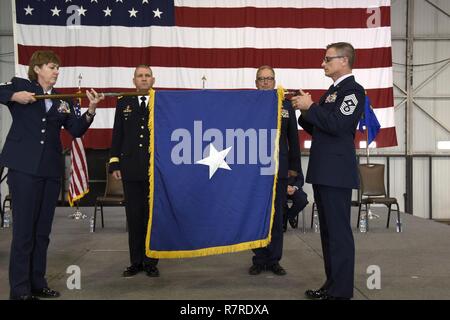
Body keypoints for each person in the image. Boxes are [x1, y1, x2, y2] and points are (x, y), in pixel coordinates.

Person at [0, 50, 104, 300]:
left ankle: (37, 282)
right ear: (37, 68)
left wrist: (91, 109)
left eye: (57, 68)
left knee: (42, 232)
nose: (56, 71)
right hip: (24, 169)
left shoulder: (62, 100)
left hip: (49, 170)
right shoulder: (21, 86)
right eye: (51, 67)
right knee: (23, 232)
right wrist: (15, 96)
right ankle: (20, 290)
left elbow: (76, 130)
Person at [291, 42, 365, 300]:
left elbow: (339, 126)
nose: (323, 63)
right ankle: (331, 285)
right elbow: (320, 128)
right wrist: (303, 110)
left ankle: (341, 292)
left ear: (344, 60)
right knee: (328, 234)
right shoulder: (332, 92)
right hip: (324, 170)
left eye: (327, 59)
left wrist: (312, 108)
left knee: (339, 234)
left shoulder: (353, 91)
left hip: (336, 172)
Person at [249, 65, 302, 276]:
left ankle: (274, 259)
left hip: (279, 171)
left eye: (269, 78)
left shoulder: (285, 105)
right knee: (256, 216)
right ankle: (259, 258)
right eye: (261, 79)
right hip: (254, 171)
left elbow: (293, 142)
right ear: (256, 83)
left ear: (274, 81)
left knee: (277, 216)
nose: (265, 82)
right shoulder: (248, 105)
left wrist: (295, 172)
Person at [108, 65, 160, 278]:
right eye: (140, 76)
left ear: (153, 80)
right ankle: (135, 262)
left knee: (151, 218)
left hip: (153, 170)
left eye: (147, 76)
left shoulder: (161, 103)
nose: (144, 79)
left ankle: (150, 262)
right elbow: (117, 135)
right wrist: (114, 163)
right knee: (134, 217)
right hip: (130, 169)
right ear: (134, 80)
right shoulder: (124, 103)